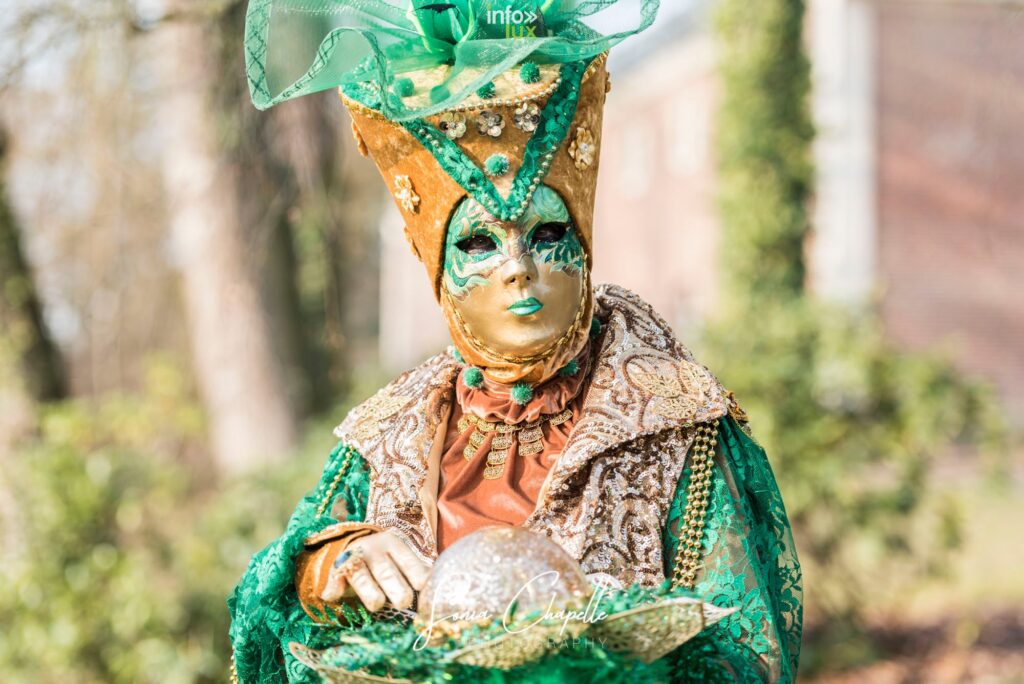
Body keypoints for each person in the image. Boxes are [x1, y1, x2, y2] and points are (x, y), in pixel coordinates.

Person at [230, 1, 802, 682]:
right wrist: (330, 565)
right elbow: (269, 614)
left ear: (583, 244)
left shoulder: (679, 424)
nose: (518, 268)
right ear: (439, 272)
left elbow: (746, 653)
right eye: (478, 243)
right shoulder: (389, 438)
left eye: (547, 234)